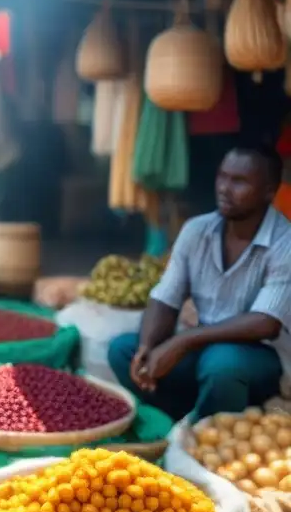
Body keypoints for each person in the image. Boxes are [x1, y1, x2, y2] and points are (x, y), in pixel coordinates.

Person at [107, 144, 291, 420]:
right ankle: (175, 422)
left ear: (269, 191)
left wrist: (183, 341)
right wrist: (148, 346)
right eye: (222, 176)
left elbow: (265, 322)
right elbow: (165, 297)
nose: (224, 188)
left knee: (223, 365)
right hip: (204, 346)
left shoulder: (285, 242)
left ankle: (210, 431)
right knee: (124, 350)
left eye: (239, 181)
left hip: (260, 359)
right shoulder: (196, 230)